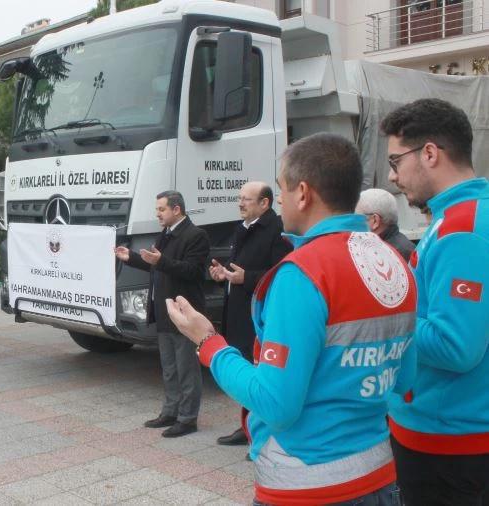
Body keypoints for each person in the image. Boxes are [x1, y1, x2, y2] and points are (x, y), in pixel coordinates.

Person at [166, 133, 417, 505]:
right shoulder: (395, 260)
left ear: (303, 193)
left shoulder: (303, 272)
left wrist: (209, 343)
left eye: (281, 188)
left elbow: (275, 404)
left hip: (307, 484)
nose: (279, 200)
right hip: (379, 474)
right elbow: (405, 379)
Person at [381, 98, 489, 504]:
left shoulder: (462, 228)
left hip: (449, 440)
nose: (392, 176)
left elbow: (456, 346)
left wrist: (386, 317)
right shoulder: (459, 217)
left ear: (429, 153)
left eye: (395, 161)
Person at [114, 190, 209, 438]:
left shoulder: (196, 235)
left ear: (176, 209)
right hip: (165, 311)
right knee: (169, 367)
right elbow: (157, 265)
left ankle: (187, 418)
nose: (157, 214)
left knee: (186, 368)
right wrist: (131, 258)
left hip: (184, 314)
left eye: (161, 209)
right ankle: (170, 411)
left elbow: (193, 271)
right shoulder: (166, 233)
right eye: (157, 209)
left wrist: (161, 261)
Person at [210, 181, 292, 447]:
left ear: (264, 203)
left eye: (246, 199)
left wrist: (247, 278)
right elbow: (239, 268)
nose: (240, 203)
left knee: (260, 374)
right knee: (246, 369)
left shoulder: (277, 230)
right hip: (238, 311)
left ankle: (261, 432)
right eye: (239, 198)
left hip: (260, 315)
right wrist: (223, 275)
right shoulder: (242, 229)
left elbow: (281, 274)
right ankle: (247, 426)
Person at [355, 188, 416, 261]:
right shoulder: (401, 249)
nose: (352, 222)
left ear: (375, 221)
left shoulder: (395, 255)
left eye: (356, 217)